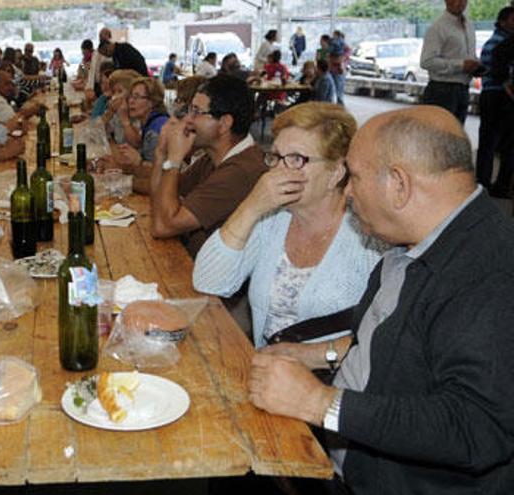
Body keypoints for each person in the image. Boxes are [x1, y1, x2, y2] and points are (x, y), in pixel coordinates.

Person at [247, 105, 514, 495]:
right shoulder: (415, 244)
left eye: (354, 176)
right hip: (339, 450)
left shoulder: (488, 274)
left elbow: (477, 427)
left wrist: (318, 402)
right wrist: (314, 355)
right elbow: (387, 343)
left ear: (399, 185)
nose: (348, 191)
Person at [193, 101, 380, 348]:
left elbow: (385, 337)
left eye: (296, 159)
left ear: (335, 172)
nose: (278, 170)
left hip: (335, 380)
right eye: (277, 157)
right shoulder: (272, 220)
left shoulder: (369, 236)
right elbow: (207, 281)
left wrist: (315, 357)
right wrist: (251, 206)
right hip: (266, 371)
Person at [149, 75, 266, 257]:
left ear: (224, 123)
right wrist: (161, 154)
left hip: (211, 281)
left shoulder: (239, 172)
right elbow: (160, 199)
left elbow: (162, 226)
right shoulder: (213, 157)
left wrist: (174, 160)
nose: (188, 119)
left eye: (196, 111)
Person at [102, 77, 169, 194]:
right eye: (131, 97)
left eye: (137, 97)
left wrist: (138, 162)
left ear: (151, 102)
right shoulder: (152, 122)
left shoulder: (155, 132)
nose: (131, 101)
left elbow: (159, 179)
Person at [475, 6, 514, 197]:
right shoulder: (503, 43)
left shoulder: (492, 41)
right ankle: (497, 185)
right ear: (503, 21)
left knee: (488, 143)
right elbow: (500, 73)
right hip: (499, 97)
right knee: (501, 144)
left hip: (489, 95)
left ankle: (482, 183)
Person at [420, 0, 479, 123]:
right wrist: (461, 65)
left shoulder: (469, 25)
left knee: (456, 137)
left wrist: (475, 65)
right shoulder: (438, 28)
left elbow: (468, 56)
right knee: (438, 137)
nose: (459, 2)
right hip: (441, 90)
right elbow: (427, 61)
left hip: (463, 89)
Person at [85, 27, 113, 103]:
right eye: (100, 36)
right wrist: (89, 87)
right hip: (96, 85)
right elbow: (92, 70)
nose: (101, 38)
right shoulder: (96, 52)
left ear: (109, 37)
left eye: (103, 35)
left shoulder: (111, 52)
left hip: (107, 85)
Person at [328, 30, 350, 106]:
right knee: (338, 88)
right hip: (336, 69)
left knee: (337, 89)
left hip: (337, 70)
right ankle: (338, 103)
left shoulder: (336, 46)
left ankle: (339, 104)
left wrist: (340, 61)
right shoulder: (344, 47)